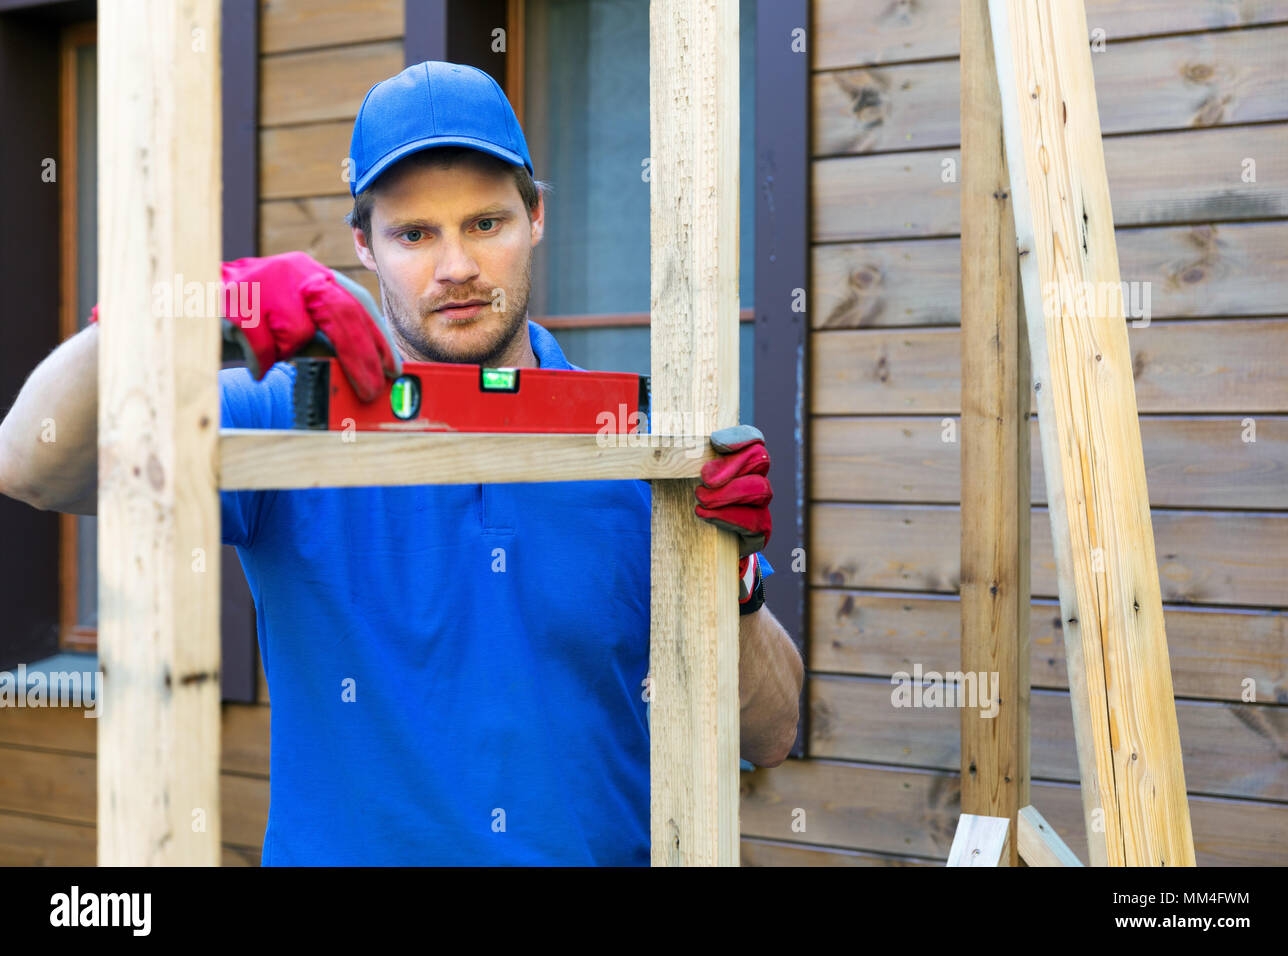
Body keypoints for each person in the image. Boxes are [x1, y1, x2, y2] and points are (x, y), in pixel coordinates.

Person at [0, 61, 803, 865]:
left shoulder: (639, 440)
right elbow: (30, 463)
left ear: (536, 218)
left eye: (485, 224)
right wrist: (188, 309)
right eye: (414, 234)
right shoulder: (292, 416)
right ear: (363, 245)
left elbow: (771, 732)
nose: (455, 267)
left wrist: (731, 582)